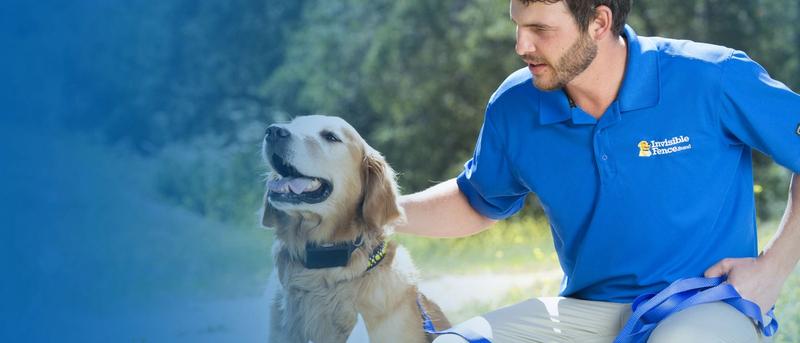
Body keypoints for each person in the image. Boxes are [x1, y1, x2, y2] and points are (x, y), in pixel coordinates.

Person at [396, 0, 800, 342]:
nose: (522, 44)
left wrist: (774, 269)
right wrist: (377, 211)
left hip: (704, 303)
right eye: (517, 25)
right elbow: (477, 201)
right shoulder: (515, 106)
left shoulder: (711, 76)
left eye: (539, 28)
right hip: (585, 315)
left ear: (599, 23)